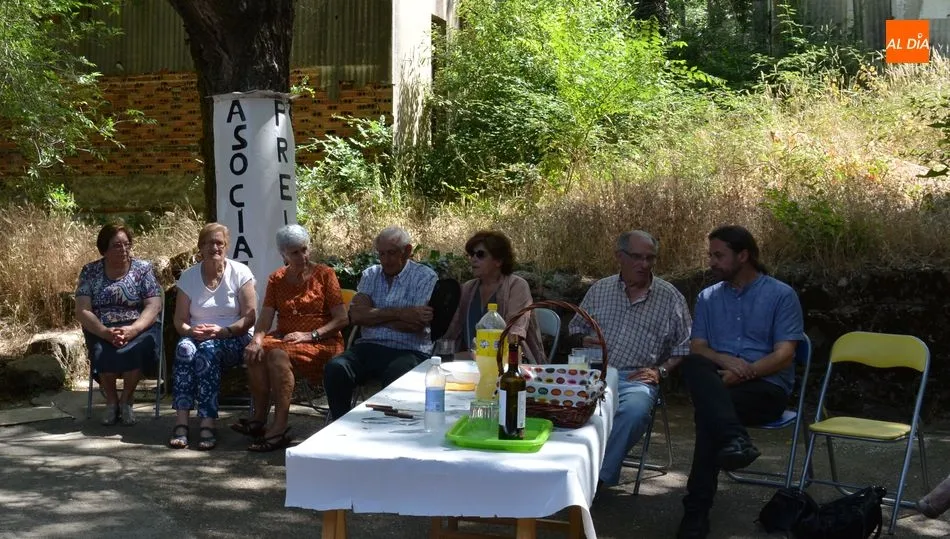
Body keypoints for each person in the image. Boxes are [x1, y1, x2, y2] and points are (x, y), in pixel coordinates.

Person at [677, 225, 803, 539]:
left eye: (718, 255)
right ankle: (736, 439)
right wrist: (728, 363)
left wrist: (745, 372)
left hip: (765, 390)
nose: (712, 262)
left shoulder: (781, 295)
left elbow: (785, 354)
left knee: (708, 416)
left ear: (743, 255)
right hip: (721, 381)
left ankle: (695, 514)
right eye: (711, 255)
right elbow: (699, 347)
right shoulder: (708, 297)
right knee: (692, 363)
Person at [568, 230, 691, 491]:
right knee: (558, 401)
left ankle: (595, 479)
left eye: (650, 258)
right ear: (619, 257)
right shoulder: (600, 289)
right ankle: (563, 469)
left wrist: (662, 371)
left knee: (634, 412)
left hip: (635, 377)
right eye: (637, 257)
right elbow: (575, 329)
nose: (644, 265)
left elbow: (686, 344)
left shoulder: (670, 297)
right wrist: (581, 340)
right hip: (592, 373)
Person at [237, 224, 348, 451]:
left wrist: (310, 334)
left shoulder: (325, 275)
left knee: (276, 355)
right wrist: (256, 339)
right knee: (254, 352)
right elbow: (266, 316)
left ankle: (279, 428)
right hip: (287, 338)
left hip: (322, 340)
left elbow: (341, 319)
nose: (303, 256)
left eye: (305, 249)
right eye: (295, 252)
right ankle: (259, 419)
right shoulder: (276, 279)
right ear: (283, 255)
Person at [323, 226, 437, 420]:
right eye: (381, 254)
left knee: (397, 375)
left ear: (407, 251)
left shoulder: (425, 277)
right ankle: (340, 424)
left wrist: (374, 317)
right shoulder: (371, 274)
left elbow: (415, 324)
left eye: (391, 253)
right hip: (369, 347)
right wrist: (400, 313)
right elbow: (357, 316)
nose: (385, 260)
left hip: (409, 349)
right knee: (336, 367)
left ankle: (388, 431)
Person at [168, 223, 256, 450]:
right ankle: (182, 423)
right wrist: (190, 331)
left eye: (219, 243)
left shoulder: (240, 273)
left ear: (226, 247)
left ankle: (207, 422)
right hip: (197, 335)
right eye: (209, 243)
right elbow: (179, 320)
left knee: (207, 353)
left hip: (233, 336)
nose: (214, 247)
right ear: (200, 247)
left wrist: (223, 331)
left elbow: (249, 318)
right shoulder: (188, 277)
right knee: (184, 350)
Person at [76, 223, 162, 426]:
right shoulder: (90, 271)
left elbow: (154, 304)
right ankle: (112, 402)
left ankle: (126, 402)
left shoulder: (143, 269)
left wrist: (133, 329)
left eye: (126, 244)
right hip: (102, 327)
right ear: (104, 249)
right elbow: (82, 309)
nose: (123, 250)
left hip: (139, 326)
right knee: (101, 350)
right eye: (117, 245)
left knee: (137, 349)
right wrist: (105, 332)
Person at [442, 231, 545, 363]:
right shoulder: (468, 288)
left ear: (498, 261)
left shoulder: (517, 285)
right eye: (471, 254)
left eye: (480, 254)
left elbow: (514, 334)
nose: (473, 259)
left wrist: (480, 355)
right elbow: (452, 331)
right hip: (470, 362)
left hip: (509, 361)